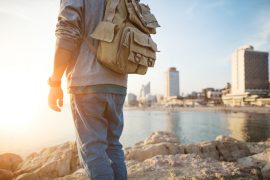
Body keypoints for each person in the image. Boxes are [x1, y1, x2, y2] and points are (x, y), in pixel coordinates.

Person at [48, 0, 128, 179]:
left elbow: (67, 33)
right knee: (113, 145)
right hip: (119, 82)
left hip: (86, 81)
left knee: (93, 150)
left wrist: (54, 82)